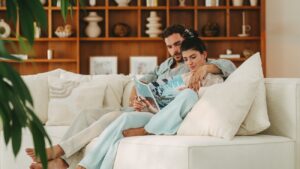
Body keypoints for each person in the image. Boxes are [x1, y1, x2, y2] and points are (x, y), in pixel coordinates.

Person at [27, 25, 236, 169]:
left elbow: (229, 67)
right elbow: (142, 82)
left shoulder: (196, 63)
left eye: (178, 44)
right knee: (87, 115)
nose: (176, 50)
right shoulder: (165, 65)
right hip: (143, 109)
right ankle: (62, 160)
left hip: (156, 115)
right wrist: (137, 97)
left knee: (114, 121)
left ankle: (62, 157)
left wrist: (206, 67)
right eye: (170, 46)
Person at [74, 36, 224, 169]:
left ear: (204, 55)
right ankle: (85, 165)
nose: (190, 63)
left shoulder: (215, 78)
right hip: (158, 116)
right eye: (186, 59)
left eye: (193, 57)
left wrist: (200, 80)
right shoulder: (183, 77)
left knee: (189, 95)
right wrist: (144, 104)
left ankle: (147, 130)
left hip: (174, 122)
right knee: (125, 119)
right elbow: (160, 103)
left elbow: (206, 100)